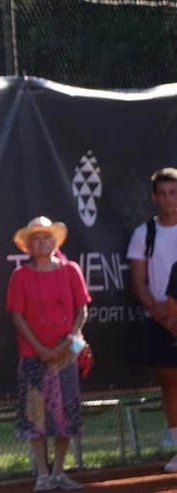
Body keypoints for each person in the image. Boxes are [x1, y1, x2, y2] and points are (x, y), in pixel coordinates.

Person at [6, 216, 91, 492]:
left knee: (65, 414)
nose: (41, 242)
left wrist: (68, 341)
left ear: (55, 242)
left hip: (67, 355)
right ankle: (42, 475)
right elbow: (17, 317)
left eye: (46, 237)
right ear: (28, 246)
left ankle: (58, 474)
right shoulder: (20, 276)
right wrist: (42, 350)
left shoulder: (71, 270)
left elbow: (82, 310)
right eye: (36, 239)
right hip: (33, 355)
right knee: (36, 416)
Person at [126, 167, 177, 473]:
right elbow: (138, 282)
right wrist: (165, 317)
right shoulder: (143, 233)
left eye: (174, 193)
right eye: (164, 194)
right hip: (159, 322)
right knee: (171, 385)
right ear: (154, 197)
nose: (169, 199)